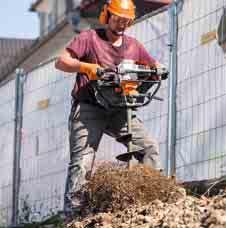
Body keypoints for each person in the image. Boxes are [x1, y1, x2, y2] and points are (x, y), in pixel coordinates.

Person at [55, 0, 164, 217]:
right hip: (89, 107)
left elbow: (153, 67)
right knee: (82, 161)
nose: (122, 23)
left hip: (119, 108)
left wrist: (158, 69)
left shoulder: (134, 46)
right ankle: (74, 215)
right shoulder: (89, 39)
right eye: (117, 18)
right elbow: (61, 61)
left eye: (126, 20)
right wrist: (87, 67)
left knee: (148, 147)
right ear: (106, 15)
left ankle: (150, 200)